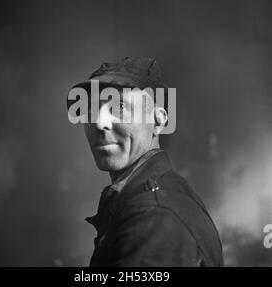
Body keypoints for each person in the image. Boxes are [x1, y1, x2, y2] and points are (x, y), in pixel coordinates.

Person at [67, 57, 224, 267]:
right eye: (92, 109)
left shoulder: (155, 217)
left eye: (119, 107)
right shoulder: (149, 203)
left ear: (158, 121)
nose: (99, 122)